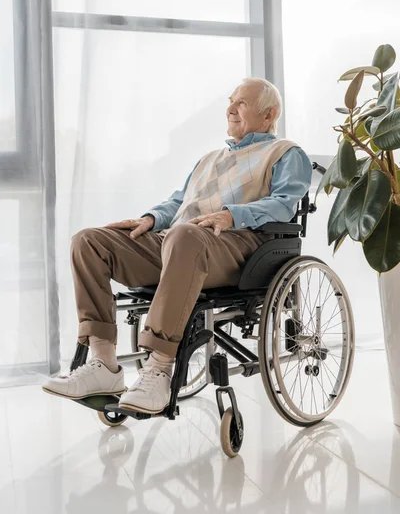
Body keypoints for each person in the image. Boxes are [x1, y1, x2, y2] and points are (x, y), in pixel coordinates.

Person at [42, 77, 312, 414]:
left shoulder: (286, 153)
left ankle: (158, 369)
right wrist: (152, 219)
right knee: (88, 241)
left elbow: (284, 205)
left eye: (240, 103)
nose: (229, 109)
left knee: (185, 236)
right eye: (230, 101)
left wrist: (231, 215)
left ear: (269, 114)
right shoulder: (210, 158)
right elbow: (179, 203)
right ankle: (104, 365)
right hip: (179, 243)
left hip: (237, 247)